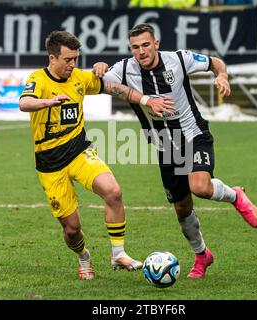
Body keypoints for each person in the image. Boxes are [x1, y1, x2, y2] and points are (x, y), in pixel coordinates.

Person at [99, 23, 257, 279]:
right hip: (165, 146)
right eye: (135, 47)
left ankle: (235, 195)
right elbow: (101, 84)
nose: (141, 51)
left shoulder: (179, 60)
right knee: (182, 209)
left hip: (194, 135)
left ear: (156, 44)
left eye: (146, 45)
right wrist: (100, 69)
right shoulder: (125, 68)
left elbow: (215, 62)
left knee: (200, 187)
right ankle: (202, 255)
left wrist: (222, 75)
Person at [19, 30, 174, 280]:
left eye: (76, 59)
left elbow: (115, 88)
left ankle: (118, 253)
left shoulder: (80, 78)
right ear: (52, 58)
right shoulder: (38, 79)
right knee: (72, 230)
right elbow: (24, 102)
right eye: (68, 60)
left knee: (113, 191)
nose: (72, 65)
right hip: (50, 164)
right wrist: (48, 103)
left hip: (79, 152)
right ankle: (84, 257)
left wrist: (146, 100)